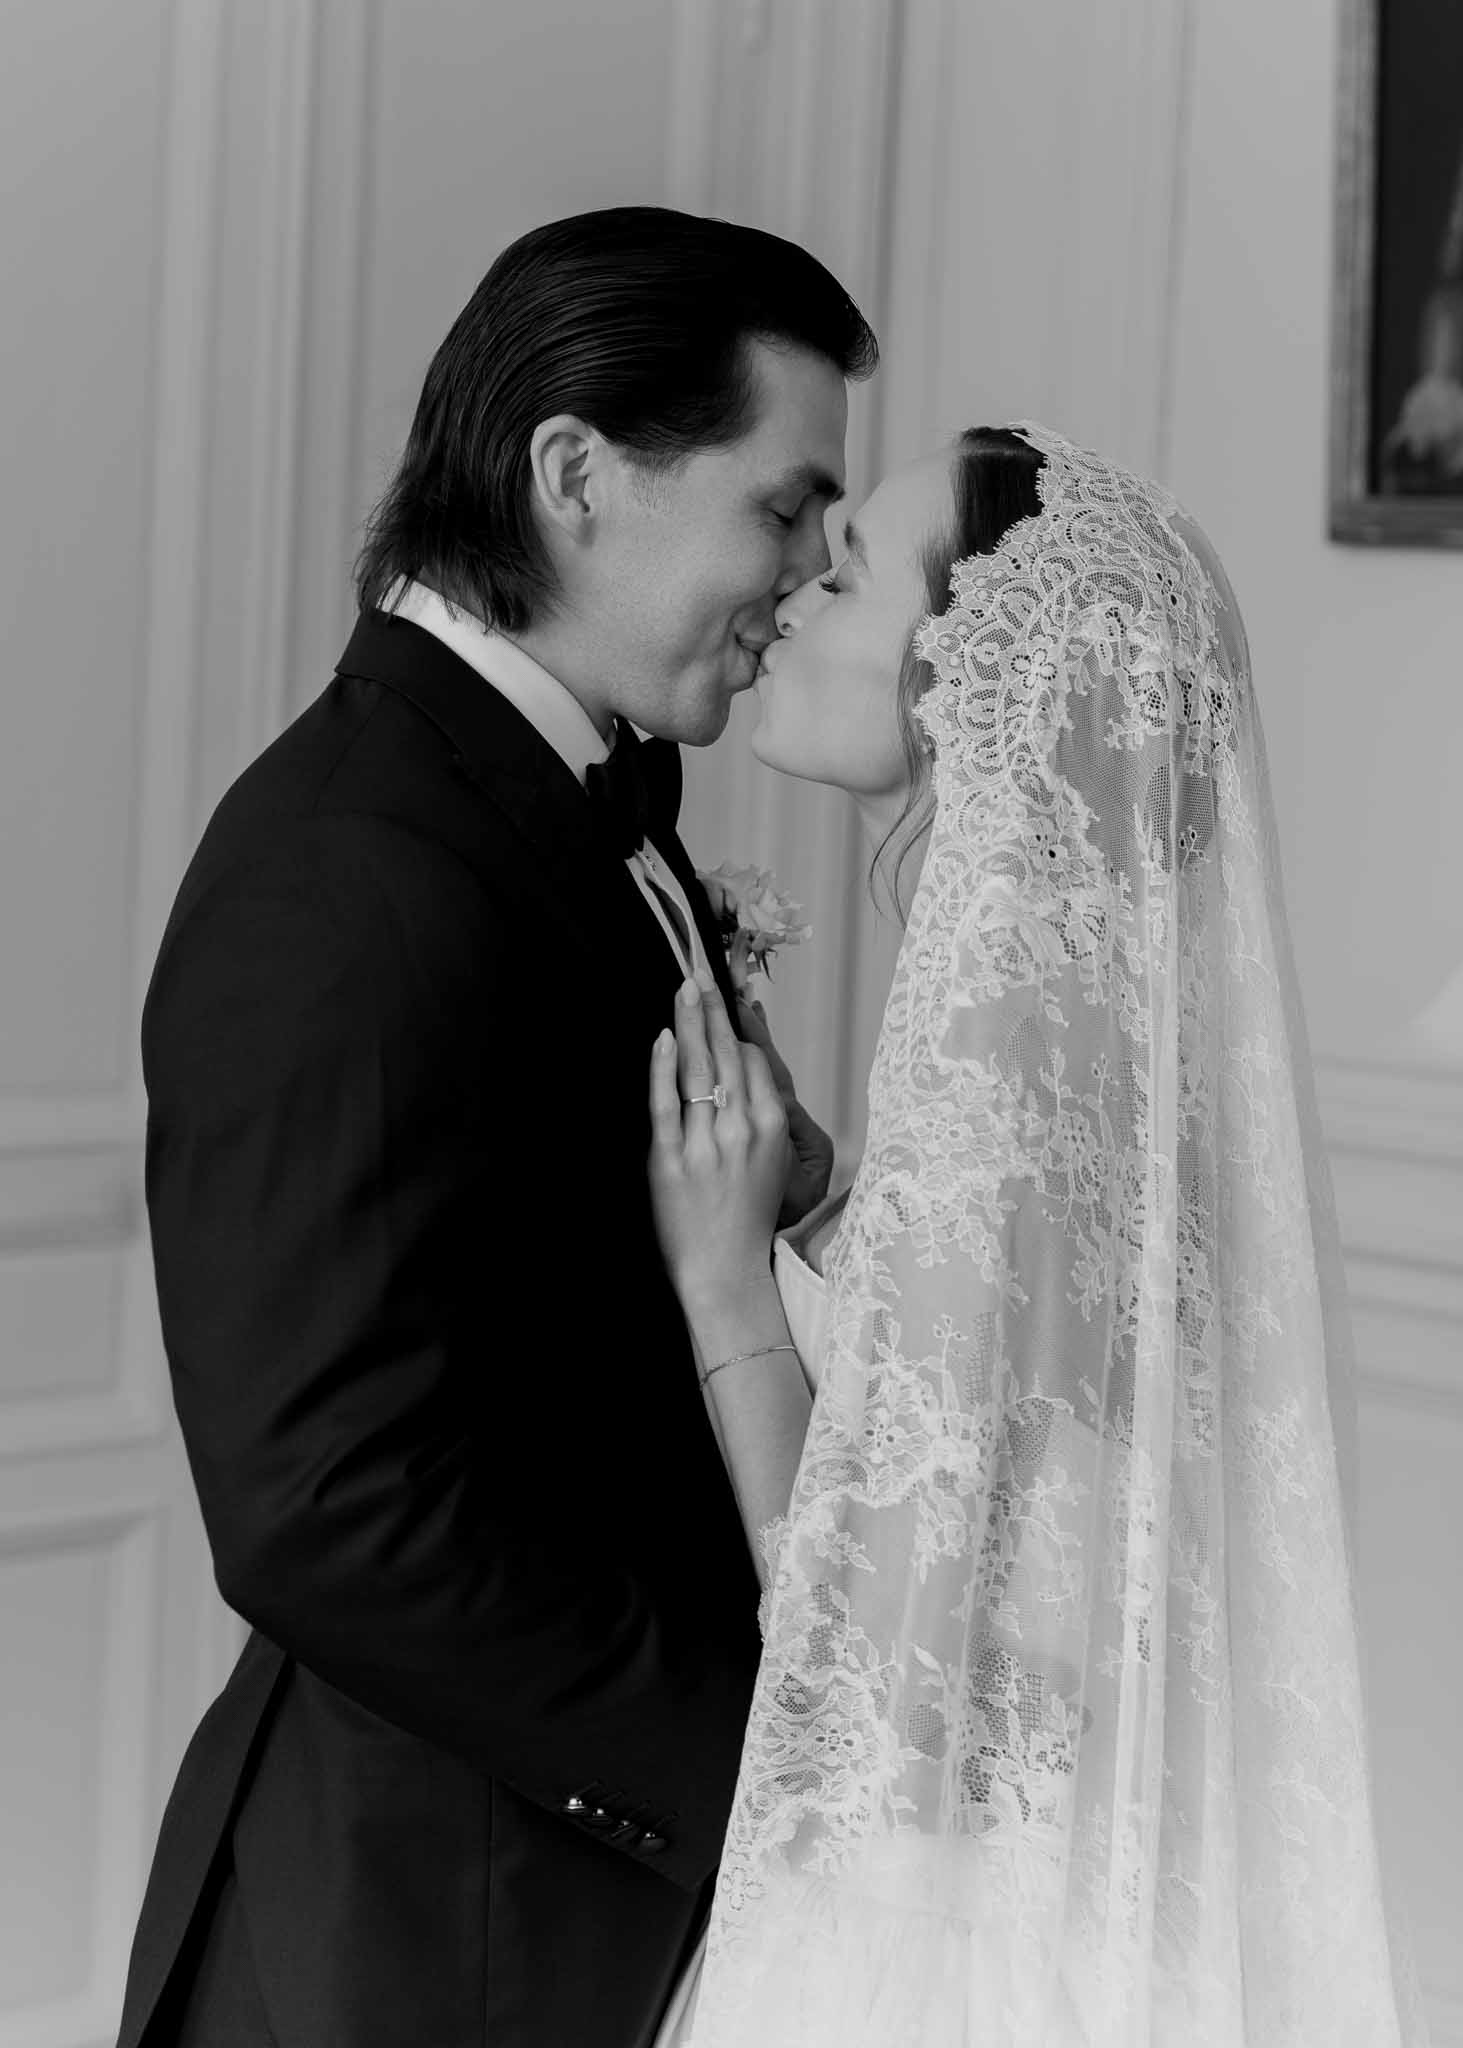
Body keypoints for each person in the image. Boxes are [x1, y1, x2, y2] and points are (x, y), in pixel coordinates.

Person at [116, 207, 874, 2048]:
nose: (807, 572)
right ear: (574, 475)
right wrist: (770, 1781)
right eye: (782, 509)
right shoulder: (341, 869)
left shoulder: (590, 785)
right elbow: (326, 1510)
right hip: (436, 1930)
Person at [647, 423, 1428, 2045]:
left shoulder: (1015, 1047)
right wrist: (835, 1210)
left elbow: (882, 1658)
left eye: (846, 568)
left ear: (980, 677)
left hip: (926, 1912)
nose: (793, 591)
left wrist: (730, 1285)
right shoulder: (1112, 1043)